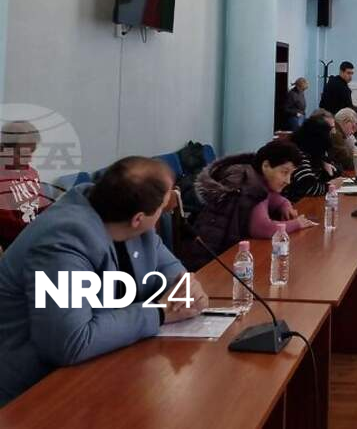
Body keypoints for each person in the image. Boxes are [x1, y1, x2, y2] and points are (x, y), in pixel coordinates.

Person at [0, 157, 209, 405]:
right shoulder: (62, 242)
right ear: (138, 218)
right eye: (163, 206)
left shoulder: (122, 214)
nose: (166, 210)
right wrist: (160, 312)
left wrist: (186, 288)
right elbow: (69, 343)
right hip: (36, 393)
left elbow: (169, 267)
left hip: (106, 365)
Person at [191, 140, 317, 266]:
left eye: (291, 174)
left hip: (225, 254)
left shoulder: (252, 174)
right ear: (266, 165)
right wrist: (297, 223)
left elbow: (269, 196)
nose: (288, 181)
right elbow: (262, 228)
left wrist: (283, 204)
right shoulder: (250, 186)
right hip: (213, 260)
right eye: (284, 172)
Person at [0, 121, 51, 248]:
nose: (29, 159)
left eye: (31, 153)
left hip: (38, 235)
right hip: (16, 244)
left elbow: (42, 205)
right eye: (23, 154)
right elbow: (7, 226)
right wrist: (40, 230)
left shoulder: (31, 173)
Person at [283, 117, 341, 202]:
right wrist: (330, 186)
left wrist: (327, 169)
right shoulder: (298, 156)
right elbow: (308, 188)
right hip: (296, 204)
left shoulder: (313, 154)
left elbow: (336, 169)